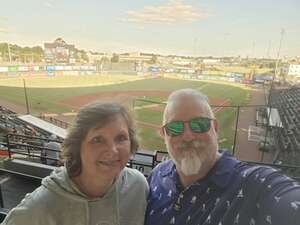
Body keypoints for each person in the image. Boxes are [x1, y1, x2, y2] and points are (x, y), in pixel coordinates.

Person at [145, 88, 300, 225]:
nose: (188, 137)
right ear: (164, 135)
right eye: (175, 127)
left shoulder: (257, 184)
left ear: (215, 128)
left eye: (199, 124)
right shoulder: (157, 175)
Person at [2, 101, 148, 225]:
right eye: (97, 140)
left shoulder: (137, 185)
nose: (113, 150)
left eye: (121, 138)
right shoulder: (40, 207)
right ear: (77, 147)